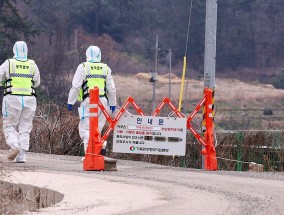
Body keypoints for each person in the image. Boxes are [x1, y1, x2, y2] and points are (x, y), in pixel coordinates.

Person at [67, 45, 116, 154]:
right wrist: (112, 103)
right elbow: (111, 89)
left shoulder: (83, 67)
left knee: (85, 129)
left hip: (89, 101)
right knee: (97, 130)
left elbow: (76, 86)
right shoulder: (105, 68)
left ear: (87, 55)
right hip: (103, 102)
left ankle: (90, 155)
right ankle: (98, 149)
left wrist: (71, 101)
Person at [0, 41, 40, 162]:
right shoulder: (32, 64)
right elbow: (37, 82)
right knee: (25, 126)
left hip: (12, 98)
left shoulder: (9, 63)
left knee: (9, 125)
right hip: (29, 98)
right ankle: (22, 155)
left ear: (14, 50)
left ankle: (14, 145)